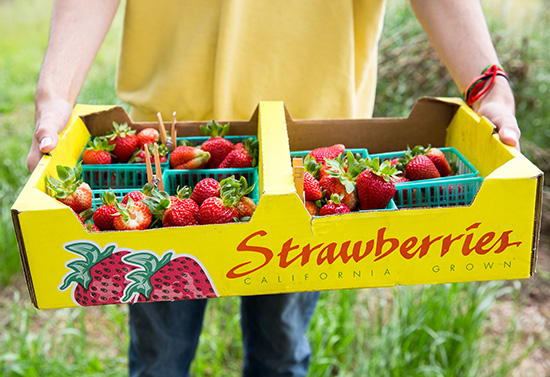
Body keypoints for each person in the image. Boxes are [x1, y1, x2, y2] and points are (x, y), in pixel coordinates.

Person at [27, 1, 521, 376]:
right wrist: (55, 95)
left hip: (314, 147)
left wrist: (487, 84)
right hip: (167, 142)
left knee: (282, 342)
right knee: (160, 349)